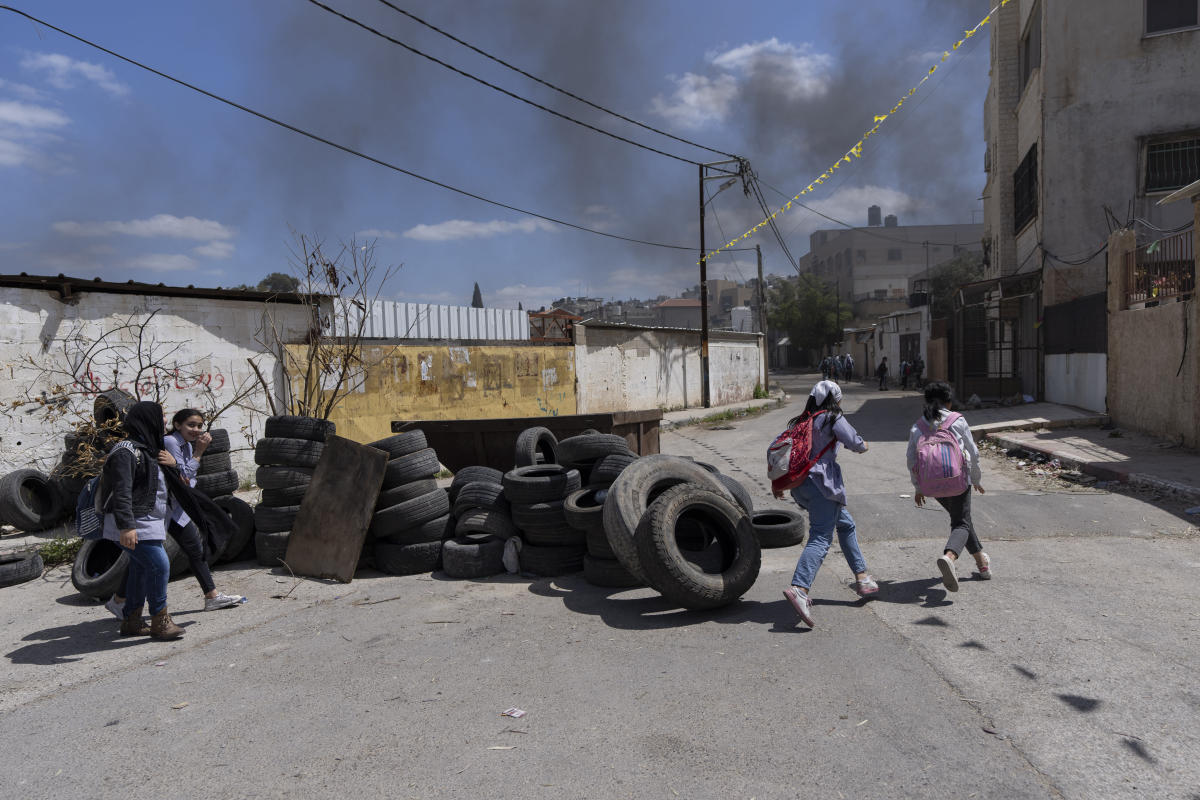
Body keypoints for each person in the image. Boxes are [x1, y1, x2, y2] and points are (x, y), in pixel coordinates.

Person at [105, 408, 243, 617]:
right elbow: (181, 476)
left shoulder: (172, 444)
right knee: (155, 563)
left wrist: (184, 463)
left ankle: (210, 596)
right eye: (191, 425)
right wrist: (198, 453)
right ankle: (153, 614)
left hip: (172, 509)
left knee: (192, 550)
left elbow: (181, 477)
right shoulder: (160, 444)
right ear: (178, 425)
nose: (196, 430)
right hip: (158, 512)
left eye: (199, 426)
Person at [775, 380, 877, 627]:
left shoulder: (802, 421)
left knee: (846, 525)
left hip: (801, 487)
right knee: (821, 537)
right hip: (823, 486)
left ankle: (862, 577)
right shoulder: (832, 417)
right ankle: (800, 588)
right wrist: (864, 445)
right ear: (835, 399)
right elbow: (855, 442)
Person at [101, 401, 185, 640]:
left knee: (139, 568)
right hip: (132, 523)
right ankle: (160, 621)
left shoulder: (148, 448)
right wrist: (126, 526)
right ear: (148, 419)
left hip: (148, 521)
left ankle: (132, 621)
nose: (165, 422)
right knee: (159, 565)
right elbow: (121, 491)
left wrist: (174, 463)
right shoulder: (126, 451)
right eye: (162, 417)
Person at [906, 381, 991, 591]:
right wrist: (976, 479)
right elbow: (973, 452)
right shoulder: (957, 420)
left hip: (932, 485)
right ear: (949, 402)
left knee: (961, 519)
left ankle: (982, 563)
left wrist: (918, 487)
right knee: (961, 523)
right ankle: (949, 557)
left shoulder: (918, 426)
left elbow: (911, 459)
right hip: (958, 481)